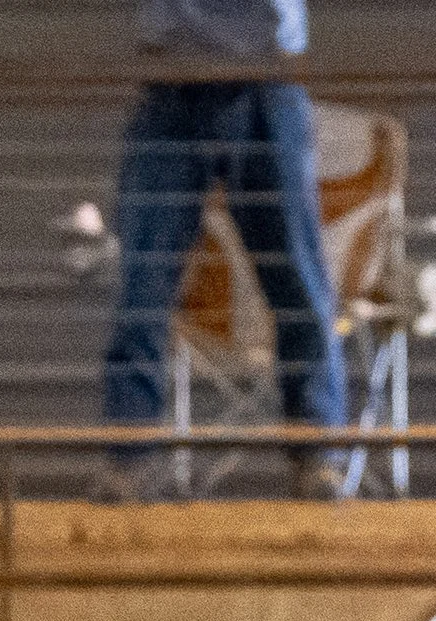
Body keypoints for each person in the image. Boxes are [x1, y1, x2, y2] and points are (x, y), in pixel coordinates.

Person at [98, 0, 348, 499]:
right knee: (142, 288)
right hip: (174, 83)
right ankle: (128, 458)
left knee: (297, 280)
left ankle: (318, 452)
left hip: (266, 80)